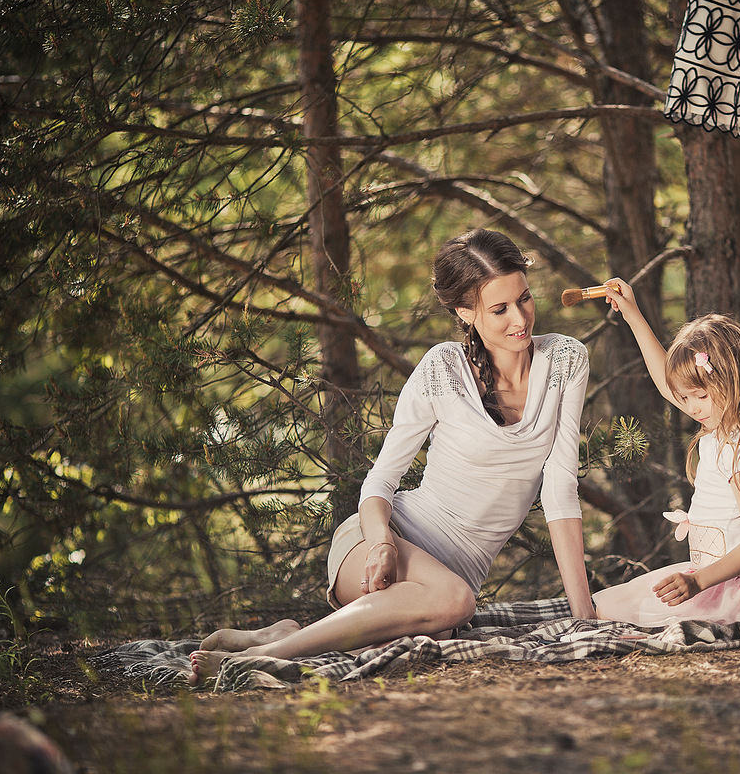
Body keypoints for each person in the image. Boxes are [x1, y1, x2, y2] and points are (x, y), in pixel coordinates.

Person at [189, 229, 595, 684]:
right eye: (499, 309)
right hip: (379, 544)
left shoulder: (564, 360)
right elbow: (380, 482)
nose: (520, 318)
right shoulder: (442, 370)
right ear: (465, 312)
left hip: (443, 588)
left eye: (524, 299)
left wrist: (586, 617)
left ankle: (279, 636)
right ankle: (268, 656)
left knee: (439, 617)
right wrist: (382, 544)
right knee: (455, 602)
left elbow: (560, 487)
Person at [591, 278, 740, 627]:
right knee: (608, 609)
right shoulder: (717, 430)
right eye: (686, 399)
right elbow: (664, 381)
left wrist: (698, 582)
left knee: (626, 618)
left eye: (700, 396)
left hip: (734, 586)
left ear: (732, 382)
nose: (692, 408)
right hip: (708, 579)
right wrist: (633, 315)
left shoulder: (739, 448)